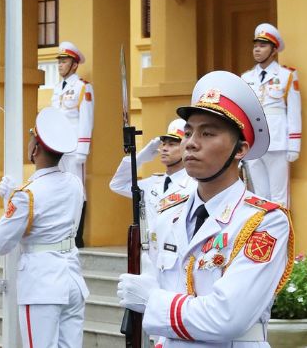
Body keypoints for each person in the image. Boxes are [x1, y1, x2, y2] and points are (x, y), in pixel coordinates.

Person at [117, 71, 294, 346]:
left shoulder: (264, 222)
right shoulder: (168, 212)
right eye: (188, 132)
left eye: (207, 133)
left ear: (240, 150)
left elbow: (227, 317)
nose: (191, 143)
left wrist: (152, 300)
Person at [0, 107, 89, 348]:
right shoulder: (75, 183)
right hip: (72, 280)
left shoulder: (27, 195)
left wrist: (11, 201)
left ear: (35, 150)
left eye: (31, 139)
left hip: (43, 284)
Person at [109, 118, 194, 263]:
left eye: (172, 144)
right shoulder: (153, 183)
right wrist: (140, 158)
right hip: (150, 258)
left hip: (179, 260)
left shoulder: (194, 184)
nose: (165, 148)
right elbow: (117, 184)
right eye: (164, 144)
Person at [241, 23, 301, 206]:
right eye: (255, 45)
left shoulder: (286, 75)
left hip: (277, 142)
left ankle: (282, 234)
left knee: (279, 197)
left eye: (263, 45)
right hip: (254, 144)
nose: (257, 50)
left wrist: (294, 144)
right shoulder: (246, 78)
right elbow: (243, 115)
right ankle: (264, 234)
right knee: (259, 196)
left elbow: (294, 112)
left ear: (274, 50)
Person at [50, 41, 94, 247]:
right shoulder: (58, 88)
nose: (60, 64)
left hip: (74, 149)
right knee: (59, 188)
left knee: (78, 190)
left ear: (74, 65)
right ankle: (62, 231)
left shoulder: (82, 87)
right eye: (59, 60)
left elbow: (86, 119)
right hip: (57, 148)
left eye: (64, 60)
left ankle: (77, 236)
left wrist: (83, 150)